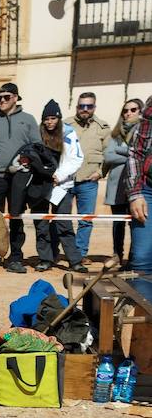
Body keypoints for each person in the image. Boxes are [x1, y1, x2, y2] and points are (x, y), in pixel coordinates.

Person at [13, 101, 86, 272]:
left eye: (53, 118)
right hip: (39, 186)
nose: (49, 122)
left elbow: (76, 158)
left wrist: (58, 176)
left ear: (58, 118)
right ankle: (45, 259)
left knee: (64, 224)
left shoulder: (68, 132)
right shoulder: (37, 134)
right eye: (46, 119)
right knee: (41, 224)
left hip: (62, 185)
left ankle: (74, 260)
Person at [0, 83, 41, 274]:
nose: (1, 101)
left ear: (15, 98)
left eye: (5, 97)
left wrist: (30, 157)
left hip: (19, 176)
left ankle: (15, 258)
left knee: (16, 218)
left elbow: (37, 145)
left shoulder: (28, 120)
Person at [67, 92, 110, 259]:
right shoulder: (66, 124)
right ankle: (59, 252)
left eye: (89, 106)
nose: (85, 109)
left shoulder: (103, 127)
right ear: (77, 107)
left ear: (94, 107)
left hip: (89, 182)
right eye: (81, 106)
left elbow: (109, 153)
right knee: (61, 219)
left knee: (85, 220)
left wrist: (100, 173)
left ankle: (79, 254)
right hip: (67, 181)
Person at [104, 99, 143, 265]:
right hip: (117, 186)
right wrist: (130, 154)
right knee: (118, 224)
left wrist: (121, 151)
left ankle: (134, 258)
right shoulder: (116, 134)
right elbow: (108, 156)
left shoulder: (143, 132)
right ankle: (117, 255)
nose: (128, 113)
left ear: (140, 111)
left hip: (136, 185)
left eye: (133, 110)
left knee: (136, 224)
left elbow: (142, 154)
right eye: (125, 110)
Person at [123, 95, 152, 303]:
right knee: (142, 259)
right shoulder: (150, 111)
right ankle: (141, 327)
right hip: (148, 191)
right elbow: (135, 154)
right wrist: (135, 193)